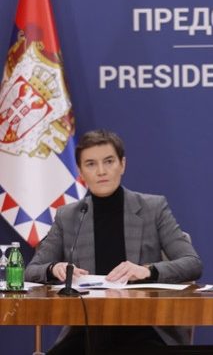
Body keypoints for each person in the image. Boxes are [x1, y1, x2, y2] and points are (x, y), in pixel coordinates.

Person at [26, 129, 203, 354]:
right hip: (87, 327)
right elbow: (31, 271)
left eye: (109, 161)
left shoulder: (153, 208)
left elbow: (192, 263)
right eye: (91, 164)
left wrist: (146, 271)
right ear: (80, 172)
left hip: (144, 326)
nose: (101, 171)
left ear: (122, 165)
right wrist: (54, 268)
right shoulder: (67, 216)